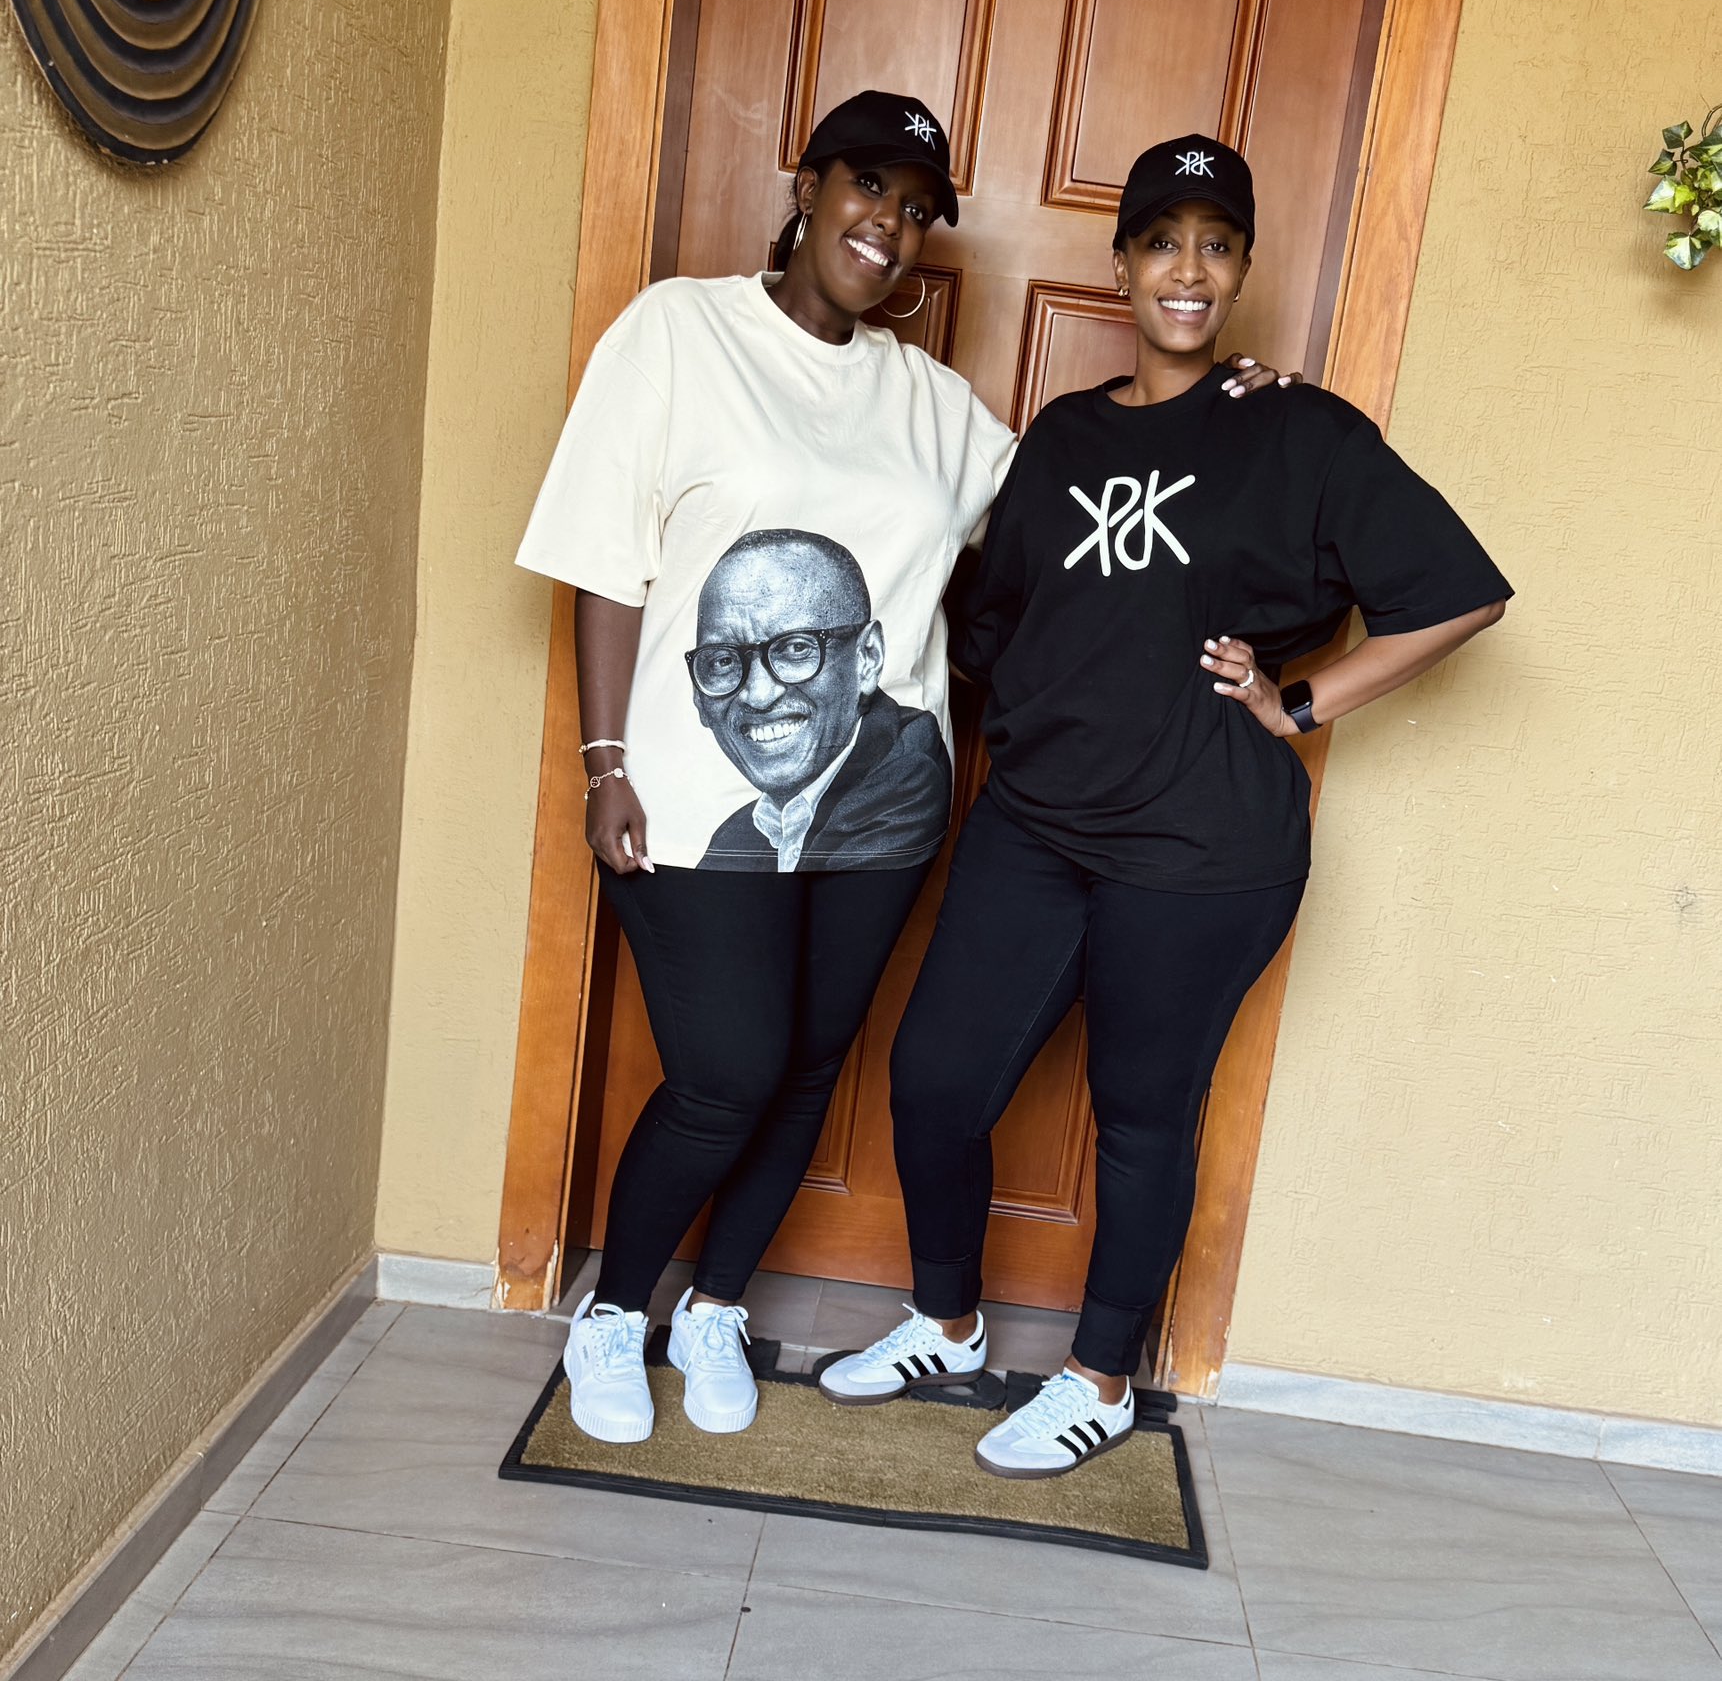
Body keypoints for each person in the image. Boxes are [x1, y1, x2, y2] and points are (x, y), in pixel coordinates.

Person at [517, 96, 1289, 1447]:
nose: (888, 223)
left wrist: (1231, 416)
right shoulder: (678, 333)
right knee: (727, 1070)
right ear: (806, 186)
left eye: (916, 208)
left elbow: (1085, 506)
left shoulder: (934, 405)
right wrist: (604, 760)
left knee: (813, 1064)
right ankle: (615, 1309)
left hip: (882, 807)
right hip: (686, 793)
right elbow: (602, 557)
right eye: (867, 185)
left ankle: (716, 1307)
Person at [818, 134, 1512, 1479]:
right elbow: (987, 623)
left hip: (1202, 848)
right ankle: (946, 1321)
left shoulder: (1300, 432)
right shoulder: (1065, 437)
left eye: (1215, 245)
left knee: (1141, 1114)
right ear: (1122, 265)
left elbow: (1459, 593)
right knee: (935, 1078)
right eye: (1161, 243)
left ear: (1240, 270)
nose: (1187, 270)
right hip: (1035, 824)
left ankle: (1097, 1378)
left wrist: (1299, 702)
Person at [690, 530, 949, 871]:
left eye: (796, 648)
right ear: (698, 696)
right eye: (723, 661)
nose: (759, 695)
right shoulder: (741, 836)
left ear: (867, 657)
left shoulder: (907, 783)